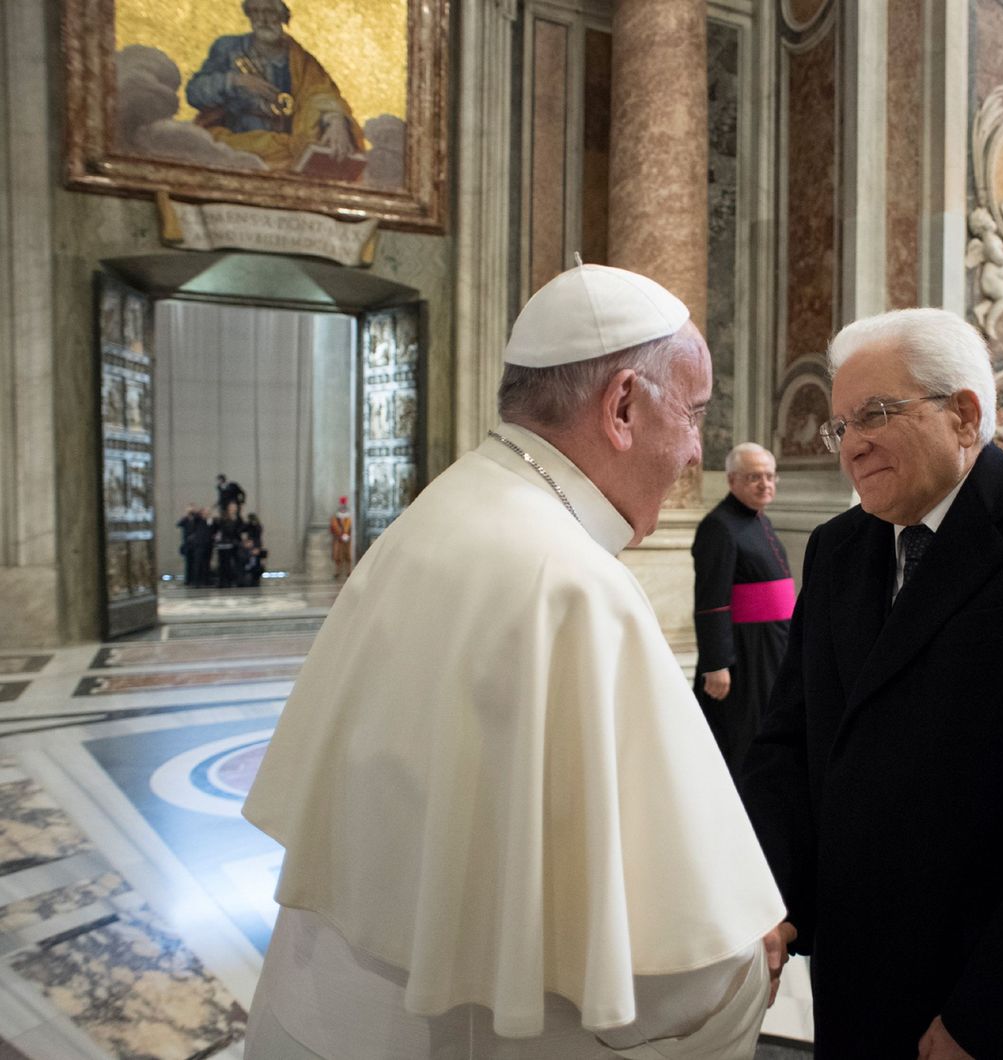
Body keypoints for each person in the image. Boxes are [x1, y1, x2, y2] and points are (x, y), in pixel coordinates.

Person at [241, 264, 786, 1058]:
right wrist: (748, 961)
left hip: (329, 1011)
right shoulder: (572, 583)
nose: (694, 454)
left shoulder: (440, 509)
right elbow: (673, 986)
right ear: (624, 405)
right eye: (695, 416)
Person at [738, 308, 1003, 1059]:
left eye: (874, 414)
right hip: (861, 973)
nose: (852, 446)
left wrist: (998, 1013)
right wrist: (771, 901)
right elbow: (790, 746)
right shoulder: (839, 551)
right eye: (840, 427)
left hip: (990, 984)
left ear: (964, 415)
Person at [692, 443, 793, 775]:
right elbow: (711, 600)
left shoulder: (758, 518)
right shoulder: (719, 526)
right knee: (742, 734)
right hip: (745, 650)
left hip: (771, 642)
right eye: (754, 477)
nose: (765, 484)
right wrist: (717, 663)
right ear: (732, 480)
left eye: (769, 476)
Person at [185, 0, 365, 173]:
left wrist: (335, 119)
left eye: (269, 12)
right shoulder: (228, 48)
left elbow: (320, 93)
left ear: (282, 17)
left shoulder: (301, 60)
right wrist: (234, 80)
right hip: (237, 142)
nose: (262, 19)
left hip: (285, 148)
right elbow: (194, 92)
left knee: (307, 152)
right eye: (256, 12)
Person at [215, 501, 246, 588]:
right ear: (228, 508)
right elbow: (222, 529)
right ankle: (223, 581)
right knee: (224, 563)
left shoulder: (239, 518)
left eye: (235, 507)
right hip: (225, 544)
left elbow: (242, 529)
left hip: (236, 543)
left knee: (237, 562)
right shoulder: (224, 517)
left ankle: (237, 580)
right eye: (232, 507)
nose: (233, 509)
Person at [328, 497, 353, 579]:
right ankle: (337, 571)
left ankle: (348, 571)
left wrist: (346, 535)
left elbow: (349, 528)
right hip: (338, 539)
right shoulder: (335, 518)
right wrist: (339, 534)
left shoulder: (348, 519)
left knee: (347, 555)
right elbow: (333, 527)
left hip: (346, 539)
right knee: (337, 556)